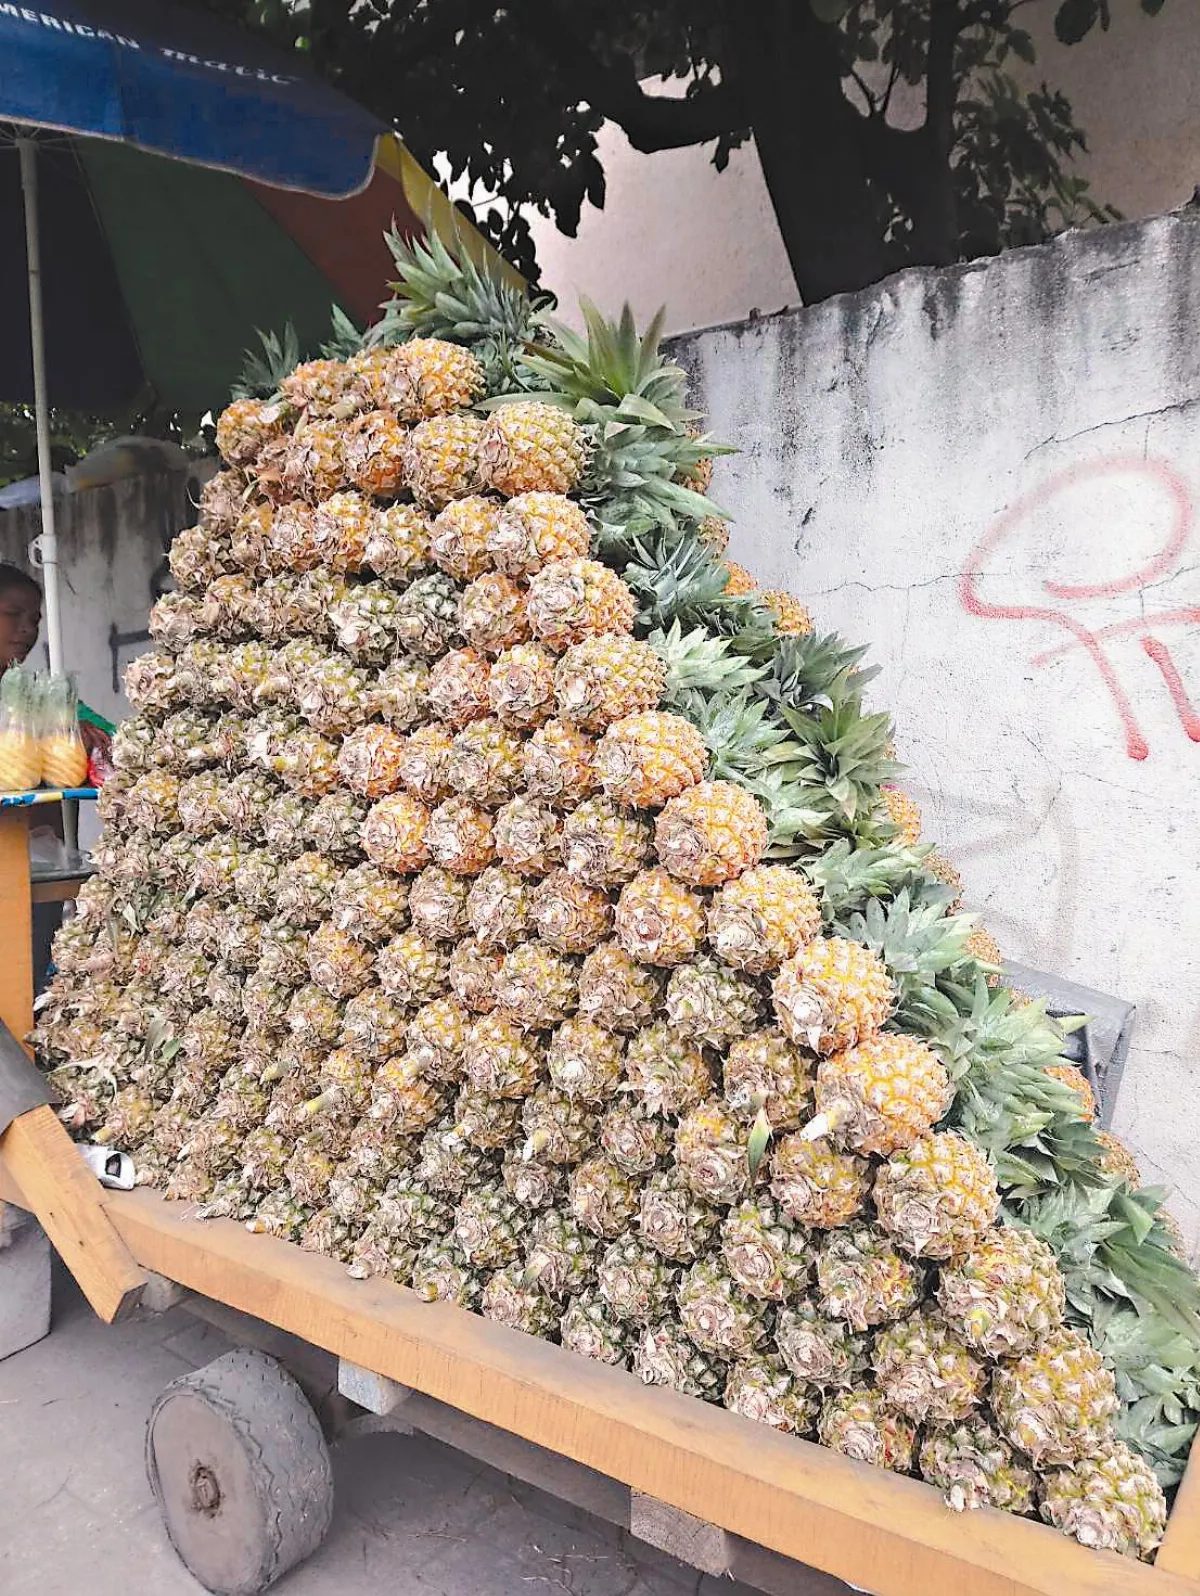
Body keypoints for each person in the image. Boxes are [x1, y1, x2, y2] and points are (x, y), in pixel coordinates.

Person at [0, 562, 113, 761]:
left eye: (34, 620)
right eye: (13, 614)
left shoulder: (41, 693)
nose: (28, 629)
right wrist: (52, 736)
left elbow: (114, 735)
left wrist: (75, 733)